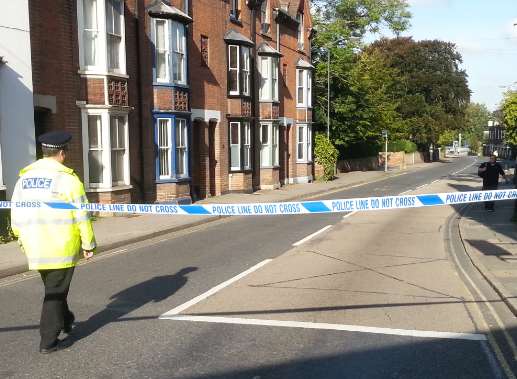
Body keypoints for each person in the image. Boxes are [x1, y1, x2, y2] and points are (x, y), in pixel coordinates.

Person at [11, 131, 96, 354]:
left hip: (34, 246)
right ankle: (48, 341)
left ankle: (66, 320)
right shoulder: (69, 181)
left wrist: (21, 238)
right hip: (61, 247)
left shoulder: (24, 180)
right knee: (55, 293)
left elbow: (15, 214)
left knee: (55, 287)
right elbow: (82, 216)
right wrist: (88, 244)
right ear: (61, 153)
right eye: (65, 152)